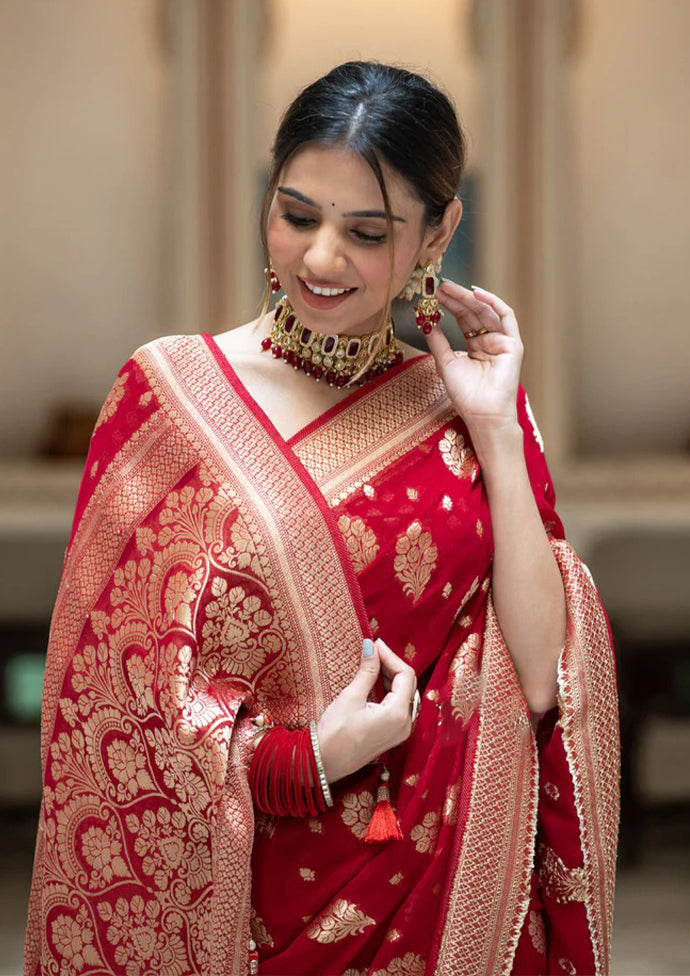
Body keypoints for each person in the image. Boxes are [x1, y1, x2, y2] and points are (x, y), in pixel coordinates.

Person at [25, 61, 619, 976]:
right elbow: (114, 718)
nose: (321, 259)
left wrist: (496, 430)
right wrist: (310, 756)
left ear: (439, 233)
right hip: (245, 908)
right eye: (297, 215)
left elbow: (546, 683)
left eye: (366, 231)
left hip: (446, 896)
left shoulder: (474, 417)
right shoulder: (168, 399)